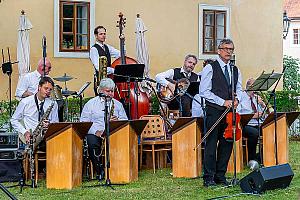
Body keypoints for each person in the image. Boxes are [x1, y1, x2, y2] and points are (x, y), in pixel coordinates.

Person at [199, 38, 243, 187]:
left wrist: (238, 99)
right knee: (211, 144)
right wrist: (222, 102)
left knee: (227, 144)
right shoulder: (210, 68)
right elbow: (203, 91)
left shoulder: (235, 69)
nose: (228, 52)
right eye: (226, 49)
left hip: (230, 114)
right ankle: (208, 177)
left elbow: (239, 89)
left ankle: (220, 176)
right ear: (219, 50)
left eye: (231, 49)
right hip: (214, 111)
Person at [80, 78, 128, 180]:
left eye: (112, 91)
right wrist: (95, 131)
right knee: (91, 141)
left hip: (113, 133)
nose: (111, 94)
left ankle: (119, 169)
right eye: (108, 91)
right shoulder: (90, 104)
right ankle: (100, 170)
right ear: (101, 91)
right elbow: (84, 122)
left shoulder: (118, 105)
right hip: (97, 134)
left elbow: (125, 121)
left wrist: (117, 121)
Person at [11, 77, 59, 146]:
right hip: (30, 137)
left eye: (50, 90)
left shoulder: (53, 104)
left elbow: (55, 123)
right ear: (39, 87)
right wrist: (24, 132)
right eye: (46, 88)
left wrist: (50, 125)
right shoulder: (25, 102)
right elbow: (14, 120)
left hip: (46, 138)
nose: (48, 91)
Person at [237, 78, 267, 163]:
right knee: (254, 133)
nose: (257, 89)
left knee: (269, 130)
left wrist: (262, 104)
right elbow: (238, 114)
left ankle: (261, 156)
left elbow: (264, 115)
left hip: (258, 124)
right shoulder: (241, 97)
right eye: (255, 86)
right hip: (245, 124)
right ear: (250, 86)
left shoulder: (256, 98)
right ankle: (251, 158)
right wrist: (253, 116)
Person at [89, 26, 121, 95]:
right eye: (101, 34)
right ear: (96, 36)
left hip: (109, 79)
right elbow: (99, 68)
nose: (103, 36)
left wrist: (122, 42)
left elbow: (119, 54)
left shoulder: (107, 47)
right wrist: (113, 70)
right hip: (100, 80)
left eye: (104, 34)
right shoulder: (94, 49)